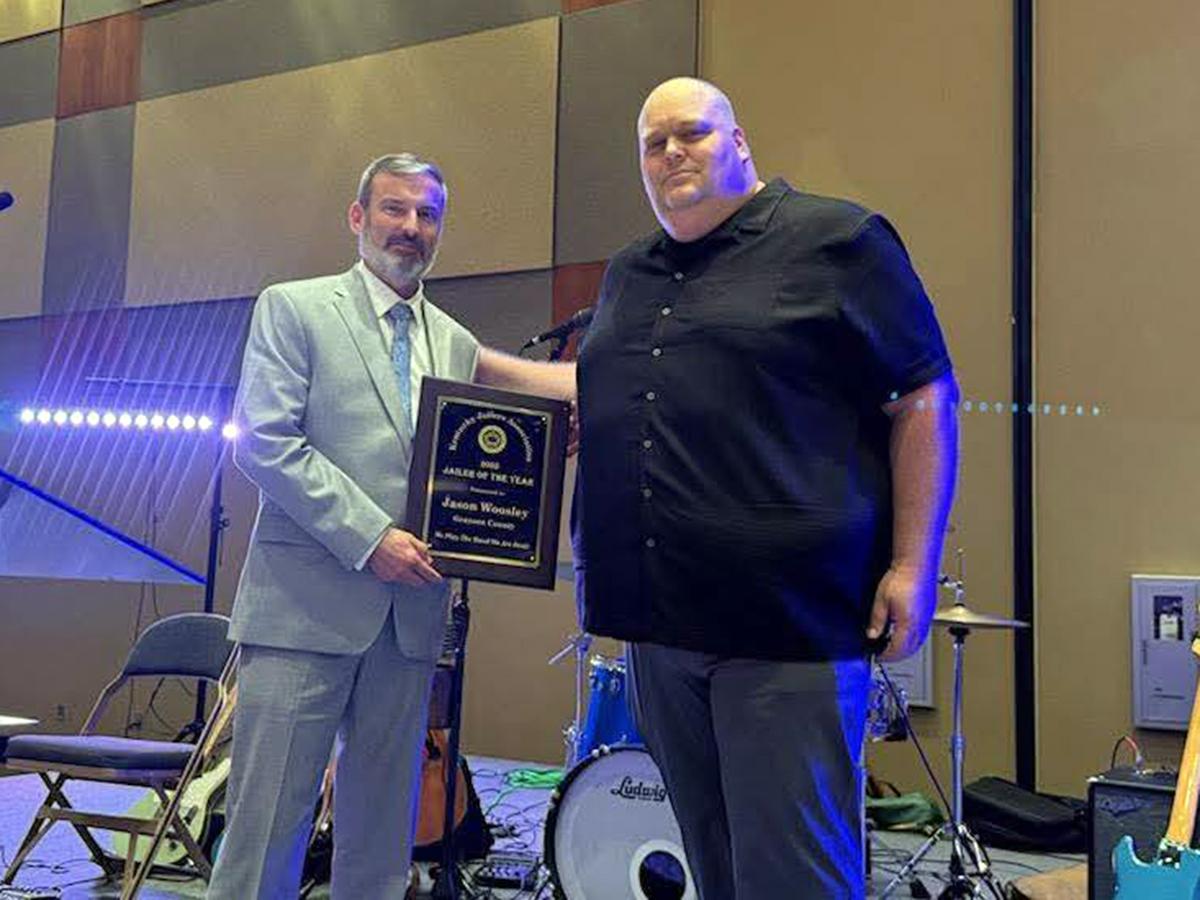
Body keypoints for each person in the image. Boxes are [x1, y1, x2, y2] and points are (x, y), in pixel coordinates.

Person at [573, 78, 959, 899]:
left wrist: (912, 566)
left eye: (691, 133)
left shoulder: (837, 241)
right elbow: (615, 393)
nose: (671, 153)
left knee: (793, 880)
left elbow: (923, 399)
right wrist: (476, 369)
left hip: (786, 628)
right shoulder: (629, 272)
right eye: (652, 144)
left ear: (740, 142)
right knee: (712, 871)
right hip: (658, 629)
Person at [207, 153, 571, 899]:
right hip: (303, 611)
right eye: (394, 209)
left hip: (410, 620)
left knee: (382, 837)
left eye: (427, 214)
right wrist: (369, 538)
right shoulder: (294, 308)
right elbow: (266, 442)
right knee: (266, 831)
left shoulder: (455, 341)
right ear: (358, 217)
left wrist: (533, 460)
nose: (410, 227)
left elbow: (462, 463)